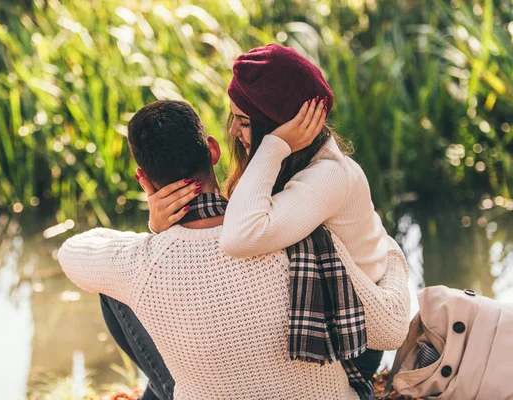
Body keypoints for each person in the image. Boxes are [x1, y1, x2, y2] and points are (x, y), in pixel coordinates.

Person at [58, 100, 409, 400]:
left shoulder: (139, 261)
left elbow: (71, 251)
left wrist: (156, 229)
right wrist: (392, 252)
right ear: (213, 150)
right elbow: (390, 330)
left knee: (113, 289)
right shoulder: (295, 237)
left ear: (143, 179)